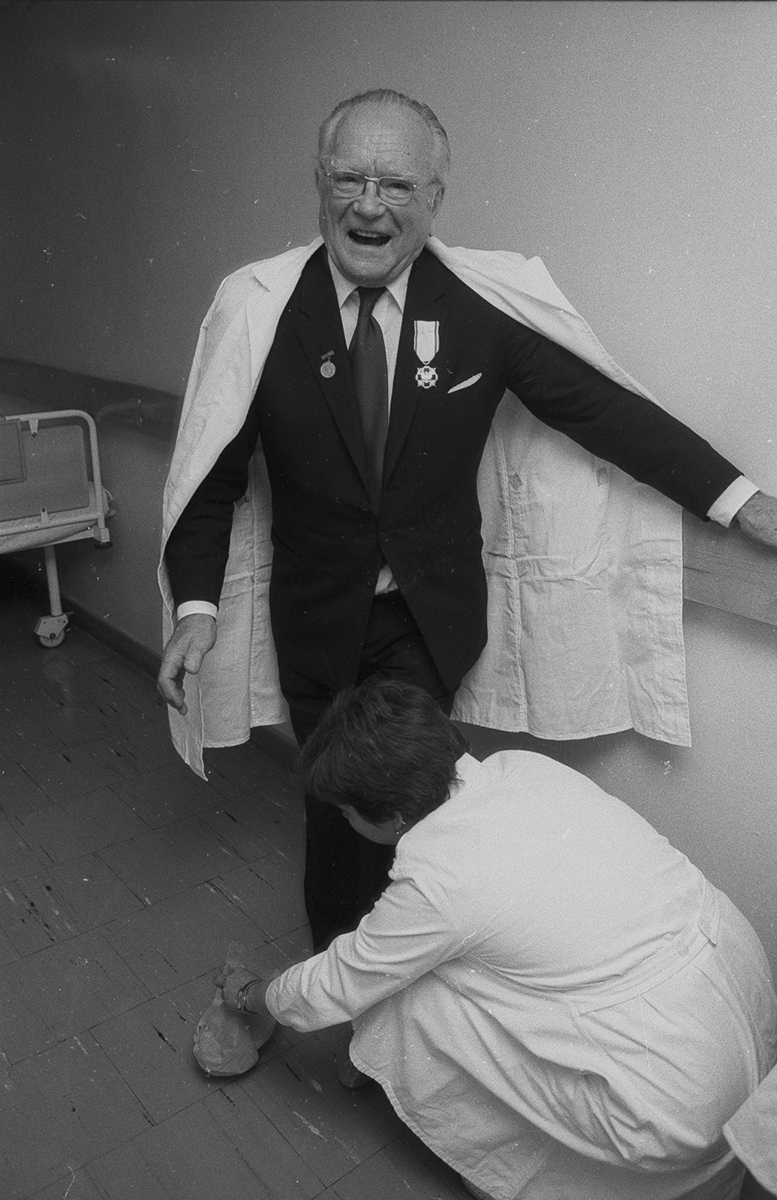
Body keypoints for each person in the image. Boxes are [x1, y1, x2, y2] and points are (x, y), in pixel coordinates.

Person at [157, 88, 777, 948]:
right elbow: (210, 473)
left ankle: (401, 966)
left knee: (407, 803)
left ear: (435, 198)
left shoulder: (479, 306)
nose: (368, 205)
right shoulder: (262, 310)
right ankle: (350, 973)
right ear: (319, 183)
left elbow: (604, 411)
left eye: (396, 185)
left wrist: (739, 502)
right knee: (336, 805)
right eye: (348, 178)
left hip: (425, 618)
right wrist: (195, 608)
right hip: (315, 617)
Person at [215, 678, 777, 1200]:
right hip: (743, 1007)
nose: (343, 821)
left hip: (670, 1107)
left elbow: (339, 981)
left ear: (396, 814)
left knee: (404, 994)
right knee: (451, 961)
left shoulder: (440, 881)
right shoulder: (520, 768)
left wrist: (251, 995)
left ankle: (506, 1166)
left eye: (345, 812)